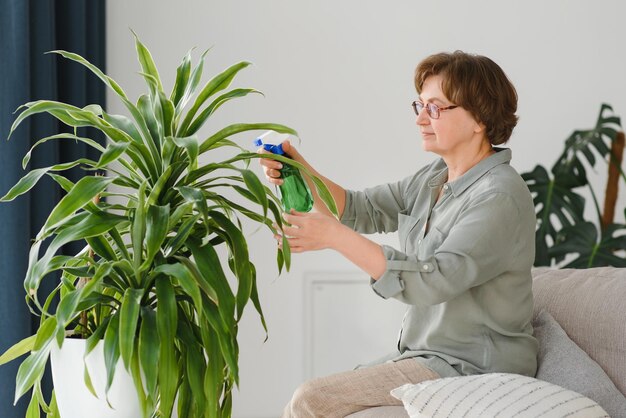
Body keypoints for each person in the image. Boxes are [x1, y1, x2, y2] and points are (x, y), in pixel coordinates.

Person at [259, 51, 538, 418]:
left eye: (435, 108)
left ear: (479, 119)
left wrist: (334, 237)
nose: (421, 119)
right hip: (426, 358)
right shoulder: (433, 178)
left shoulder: (499, 196)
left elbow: (432, 280)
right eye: (419, 106)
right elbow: (359, 209)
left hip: (473, 369)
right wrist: (300, 167)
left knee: (312, 400)